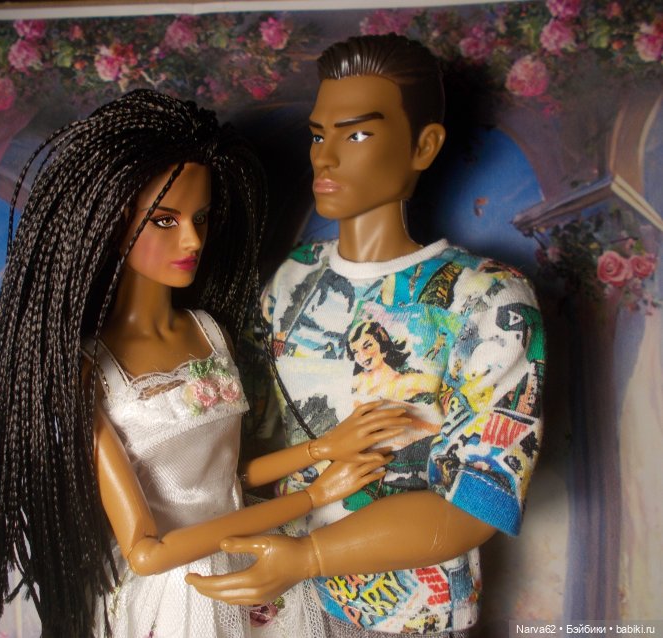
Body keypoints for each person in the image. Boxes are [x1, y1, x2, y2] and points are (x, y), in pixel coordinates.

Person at [0, 89, 412, 638]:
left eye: (201, 217)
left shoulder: (209, 332)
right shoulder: (89, 370)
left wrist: (324, 448)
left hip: (252, 559)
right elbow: (146, 551)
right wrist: (313, 496)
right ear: (114, 225)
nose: (193, 238)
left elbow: (226, 477)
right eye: (165, 221)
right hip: (179, 592)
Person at [187, 35, 545, 637]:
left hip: (405, 616)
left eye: (355, 135)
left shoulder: (487, 298)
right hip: (274, 607)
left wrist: (308, 557)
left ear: (423, 145)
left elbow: (480, 500)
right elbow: (241, 446)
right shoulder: (288, 282)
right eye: (317, 135)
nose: (324, 158)